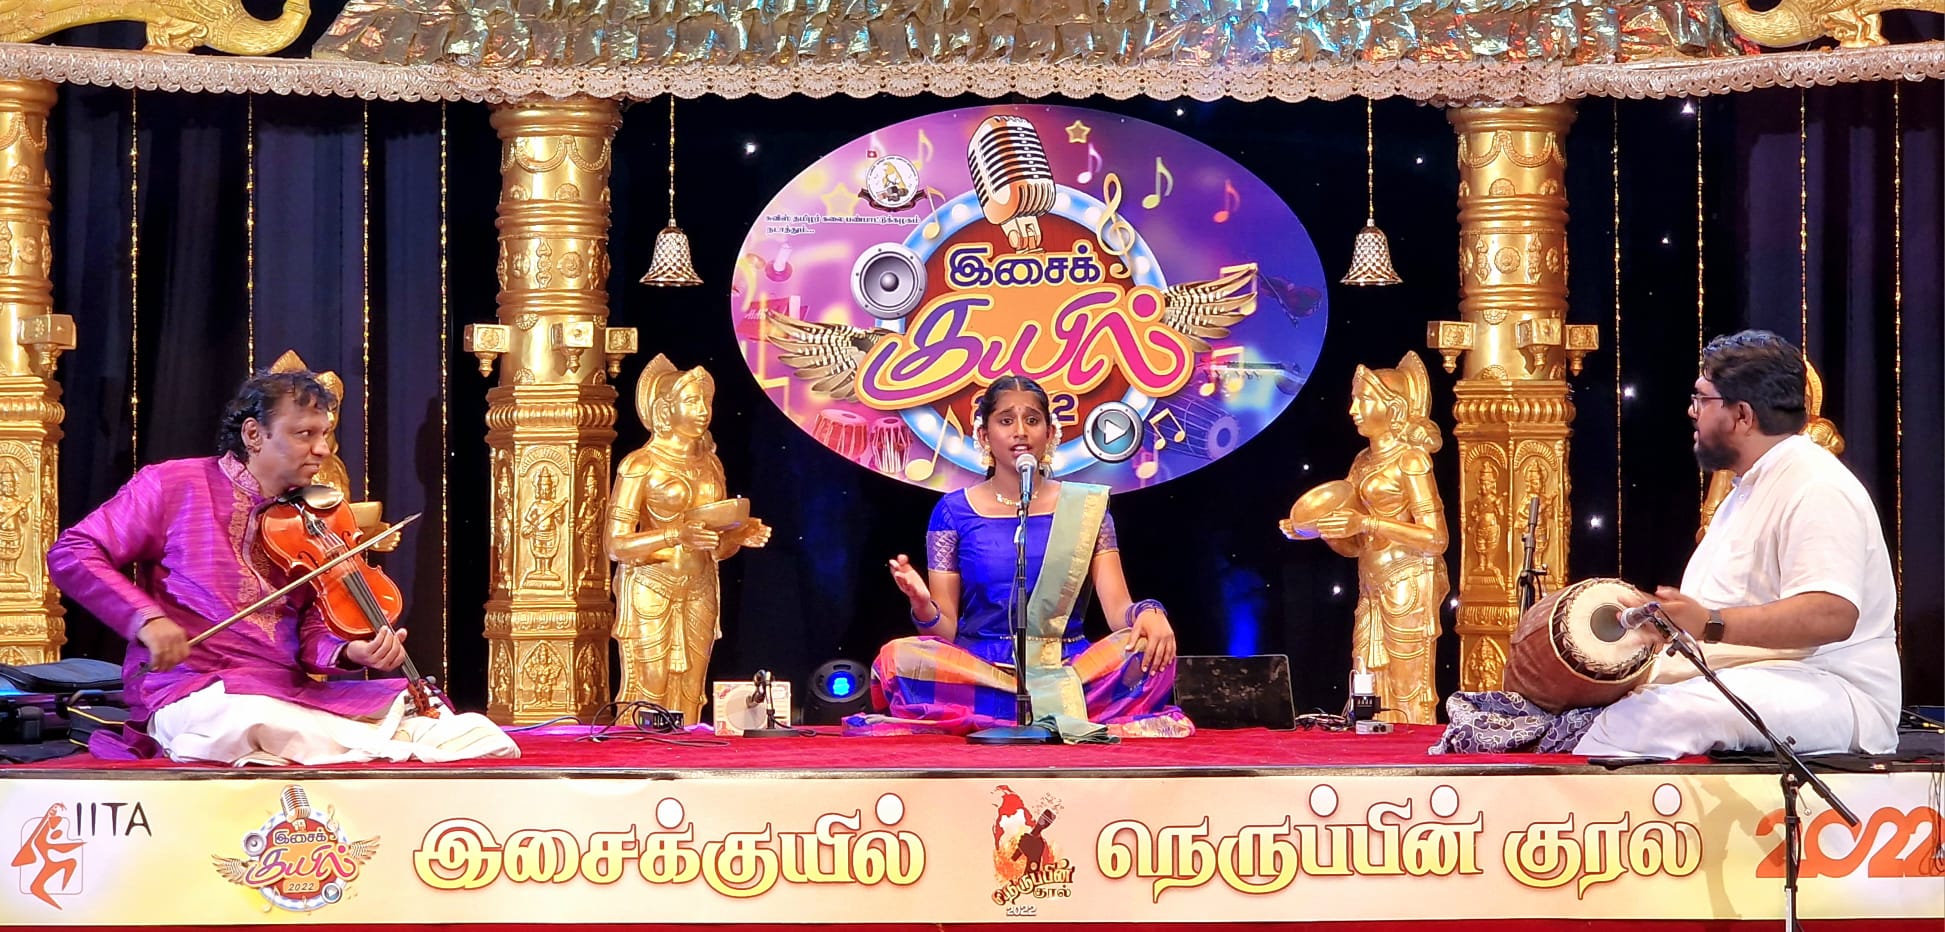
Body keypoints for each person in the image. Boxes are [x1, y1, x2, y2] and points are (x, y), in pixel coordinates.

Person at [46, 370, 516, 765]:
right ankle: (377, 748)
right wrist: (147, 619)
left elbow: (312, 631)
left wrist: (351, 652)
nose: (323, 449)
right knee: (245, 721)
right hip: (196, 688)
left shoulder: (313, 518)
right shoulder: (172, 484)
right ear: (254, 435)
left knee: (457, 725)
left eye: (325, 434)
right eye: (304, 434)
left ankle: (371, 747)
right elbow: (74, 552)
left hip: (285, 689)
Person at [1575, 330, 1900, 758]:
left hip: (1830, 686)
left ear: (1742, 415)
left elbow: (1831, 613)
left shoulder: (1817, 485)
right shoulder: (1745, 491)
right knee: (1594, 704)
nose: (1691, 411)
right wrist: (1667, 625)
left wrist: (1710, 623)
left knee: (1657, 719)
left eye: (1701, 399)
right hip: (1766, 676)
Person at [847, 375, 1193, 740]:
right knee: (898, 657)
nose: (1020, 432)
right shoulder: (953, 511)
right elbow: (944, 631)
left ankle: (993, 715)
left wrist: (1149, 613)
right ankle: (1058, 714)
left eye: (1032, 420)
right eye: (1006, 420)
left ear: (1050, 433)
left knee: (1147, 649)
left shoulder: (1087, 508)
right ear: (984, 436)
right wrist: (921, 604)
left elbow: (1117, 609)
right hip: (979, 668)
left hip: (1068, 666)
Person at [1281, 351, 1449, 725]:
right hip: (1372, 582)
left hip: (1408, 580)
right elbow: (1353, 542)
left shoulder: (1411, 460)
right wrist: (1320, 529)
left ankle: (1413, 750)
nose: (1353, 409)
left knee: (1408, 685)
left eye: (1363, 400)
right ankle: (1372, 750)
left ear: (1393, 408)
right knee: (1365, 679)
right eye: (1354, 399)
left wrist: (1369, 523)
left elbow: (1436, 538)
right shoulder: (1363, 461)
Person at [606, 355, 772, 724]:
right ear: (665, 410)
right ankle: (639, 753)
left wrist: (738, 536)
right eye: (692, 402)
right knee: (650, 684)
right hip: (651, 584)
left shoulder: (710, 464)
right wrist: (674, 533)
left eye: (706, 402)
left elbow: (715, 546)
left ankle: (685, 753)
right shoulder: (640, 464)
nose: (702, 411)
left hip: (700, 584)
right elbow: (615, 545)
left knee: (692, 688)